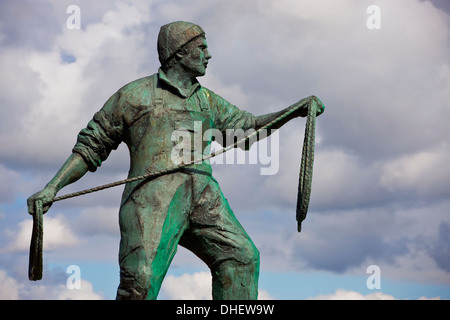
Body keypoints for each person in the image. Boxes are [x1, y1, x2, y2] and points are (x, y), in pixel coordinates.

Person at [27, 21, 324, 300]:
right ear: (179, 53)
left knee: (242, 257)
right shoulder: (135, 95)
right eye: (202, 48)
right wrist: (52, 188)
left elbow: (245, 129)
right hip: (152, 198)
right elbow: (91, 146)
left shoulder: (208, 100)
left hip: (205, 197)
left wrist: (293, 111)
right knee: (139, 281)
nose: (209, 55)